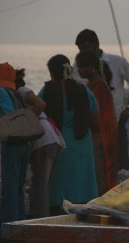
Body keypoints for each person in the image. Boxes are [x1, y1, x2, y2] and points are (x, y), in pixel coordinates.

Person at [74, 29, 129, 171]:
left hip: (115, 122)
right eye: (80, 49)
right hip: (90, 127)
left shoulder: (117, 62)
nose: (83, 52)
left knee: (119, 164)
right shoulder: (77, 67)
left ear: (96, 45)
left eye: (86, 48)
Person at [39, 54, 98, 215]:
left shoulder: (47, 90)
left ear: (51, 72)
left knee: (59, 183)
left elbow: (38, 114)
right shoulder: (83, 90)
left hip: (59, 142)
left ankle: (58, 211)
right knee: (82, 182)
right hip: (82, 141)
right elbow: (94, 118)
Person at [15, 68, 65, 218]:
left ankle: (40, 220)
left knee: (40, 186)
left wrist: (26, 125)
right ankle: (40, 217)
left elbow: (41, 104)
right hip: (51, 140)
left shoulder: (22, 91)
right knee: (41, 184)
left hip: (45, 141)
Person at [0, 62, 30, 222]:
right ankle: (20, 224)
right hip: (25, 142)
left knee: (9, 188)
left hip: (12, 145)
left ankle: (9, 229)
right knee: (18, 187)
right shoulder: (16, 94)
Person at [75, 50, 119, 195]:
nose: (79, 71)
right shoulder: (99, 84)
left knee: (100, 173)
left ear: (92, 67)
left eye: (81, 67)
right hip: (105, 134)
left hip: (100, 136)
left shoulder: (96, 86)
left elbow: (96, 116)